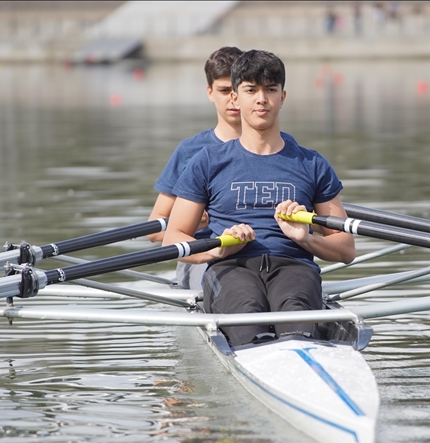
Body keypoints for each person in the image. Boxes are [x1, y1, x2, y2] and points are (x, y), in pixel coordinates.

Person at [164, 50, 356, 346]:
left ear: (283, 97)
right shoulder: (207, 161)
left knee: (296, 315)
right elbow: (172, 238)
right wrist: (217, 250)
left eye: (270, 89)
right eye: (251, 90)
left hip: (294, 266)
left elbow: (345, 249)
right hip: (230, 267)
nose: (261, 99)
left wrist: (305, 239)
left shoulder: (312, 164)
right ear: (236, 99)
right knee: (248, 313)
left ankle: (301, 349)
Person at [148, 46, 296, 290]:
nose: (232, 100)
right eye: (224, 91)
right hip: (208, 256)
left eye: (238, 89)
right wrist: (198, 225)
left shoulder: (286, 148)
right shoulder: (191, 152)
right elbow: (155, 229)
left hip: (274, 255)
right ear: (210, 92)